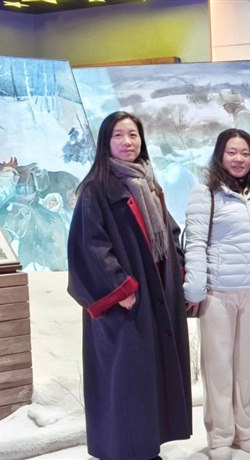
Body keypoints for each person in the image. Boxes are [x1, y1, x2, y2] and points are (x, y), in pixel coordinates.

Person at [66, 111, 192, 459]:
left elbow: (169, 232)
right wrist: (119, 288)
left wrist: (178, 269)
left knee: (148, 378)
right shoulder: (96, 189)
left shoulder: (149, 185)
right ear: (105, 142)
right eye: (118, 135)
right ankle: (122, 451)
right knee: (124, 380)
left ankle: (146, 448)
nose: (127, 142)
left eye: (133, 135)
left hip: (156, 296)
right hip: (127, 302)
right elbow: (89, 245)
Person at [183, 129, 250, 459]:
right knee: (218, 366)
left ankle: (244, 429)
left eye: (245, 153)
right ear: (220, 155)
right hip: (218, 293)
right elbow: (195, 243)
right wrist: (194, 288)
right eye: (232, 152)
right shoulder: (206, 194)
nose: (239, 159)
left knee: (246, 365)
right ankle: (220, 435)